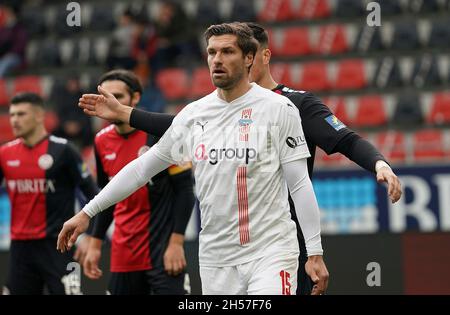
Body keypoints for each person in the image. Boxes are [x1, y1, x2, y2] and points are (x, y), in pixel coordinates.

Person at [76, 22, 402, 294]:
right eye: (212, 52)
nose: (218, 59)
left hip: (280, 240)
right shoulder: (199, 114)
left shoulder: (291, 106)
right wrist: (88, 212)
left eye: (229, 51)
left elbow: (339, 143)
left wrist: (379, 163)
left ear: (256, 56)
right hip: (218, 253)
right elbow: (160, 145)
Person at [82, 70, 194, 295]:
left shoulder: (161, 134)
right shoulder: (101, 140)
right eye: (106, 97)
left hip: (163, 250)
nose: (111, 102)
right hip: (124, 253)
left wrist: (176, 243)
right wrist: (95, 243)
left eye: (118, 96)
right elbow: (107, 195)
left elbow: (184, 191)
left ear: (135, 98)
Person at [0, 92, 98, 294]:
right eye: (12, 115)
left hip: (58, 246)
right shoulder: (5, 153)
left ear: (38, 116)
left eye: (21, 114)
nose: (15, 121)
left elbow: (93, 195)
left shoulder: (63, 151)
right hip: (20, 249)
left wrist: (91, 236)